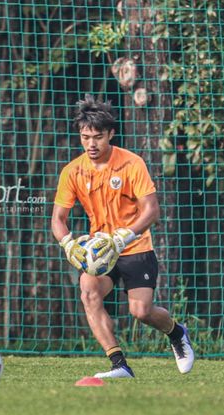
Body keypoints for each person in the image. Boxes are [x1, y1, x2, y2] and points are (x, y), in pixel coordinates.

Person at [51, 94, 194, 378]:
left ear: (111, 134)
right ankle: (119, 364)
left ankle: (177, 333)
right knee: (89, 294)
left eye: (98, 137)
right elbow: (58, 218)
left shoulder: (131, 164)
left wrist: (122, 238)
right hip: (100, 253)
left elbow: (152, 209)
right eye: (85, 137)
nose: (91, 144)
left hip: (135, 246)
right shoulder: (73, 171)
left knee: (141, 311)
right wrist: (68, 245)